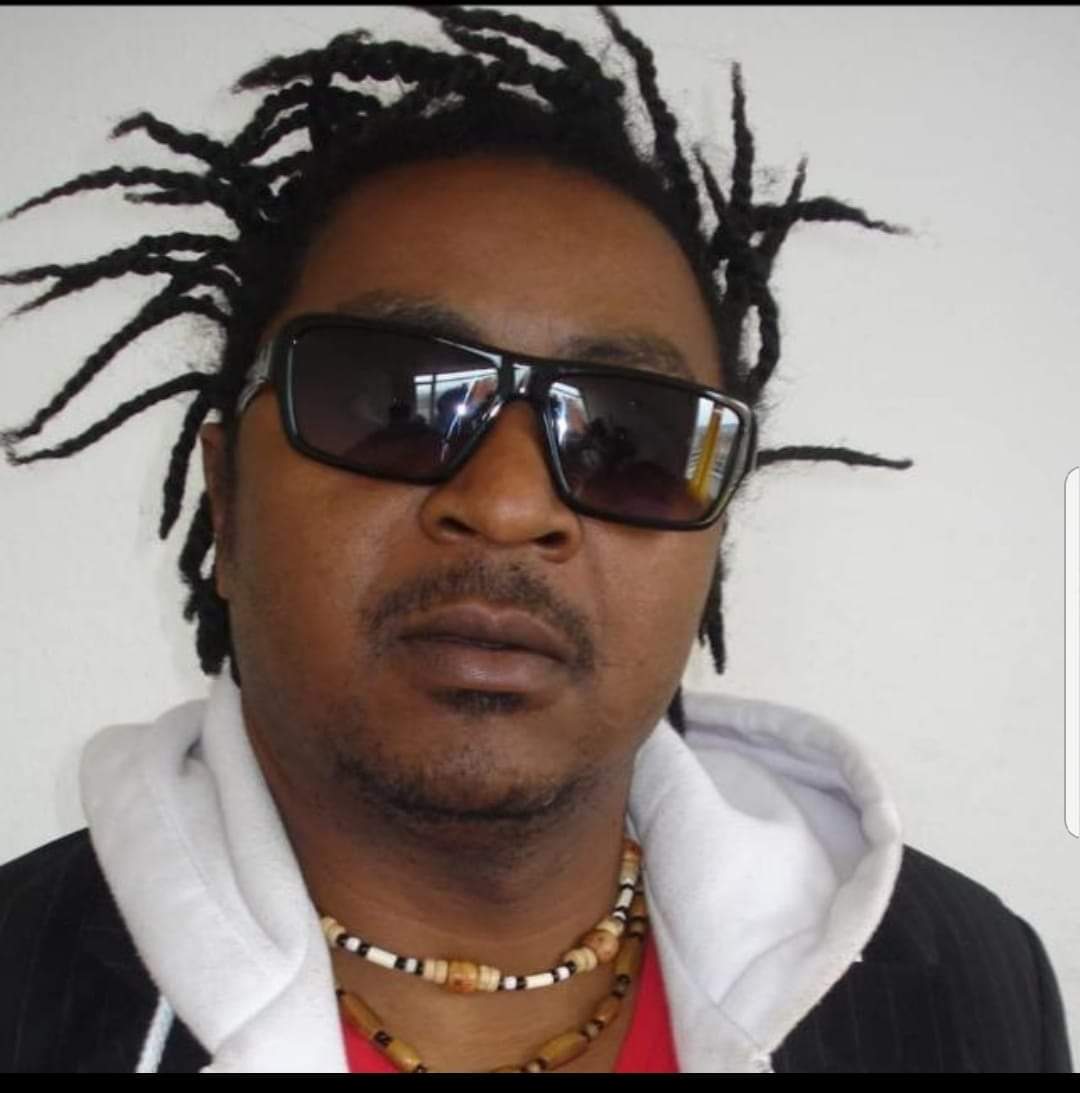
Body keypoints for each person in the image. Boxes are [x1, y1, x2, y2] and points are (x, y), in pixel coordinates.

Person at [0, 6, 1071, 1074]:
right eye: (395, 405)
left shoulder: (974, 988)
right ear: (227, 498)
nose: (509, 504)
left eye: (627, 439)